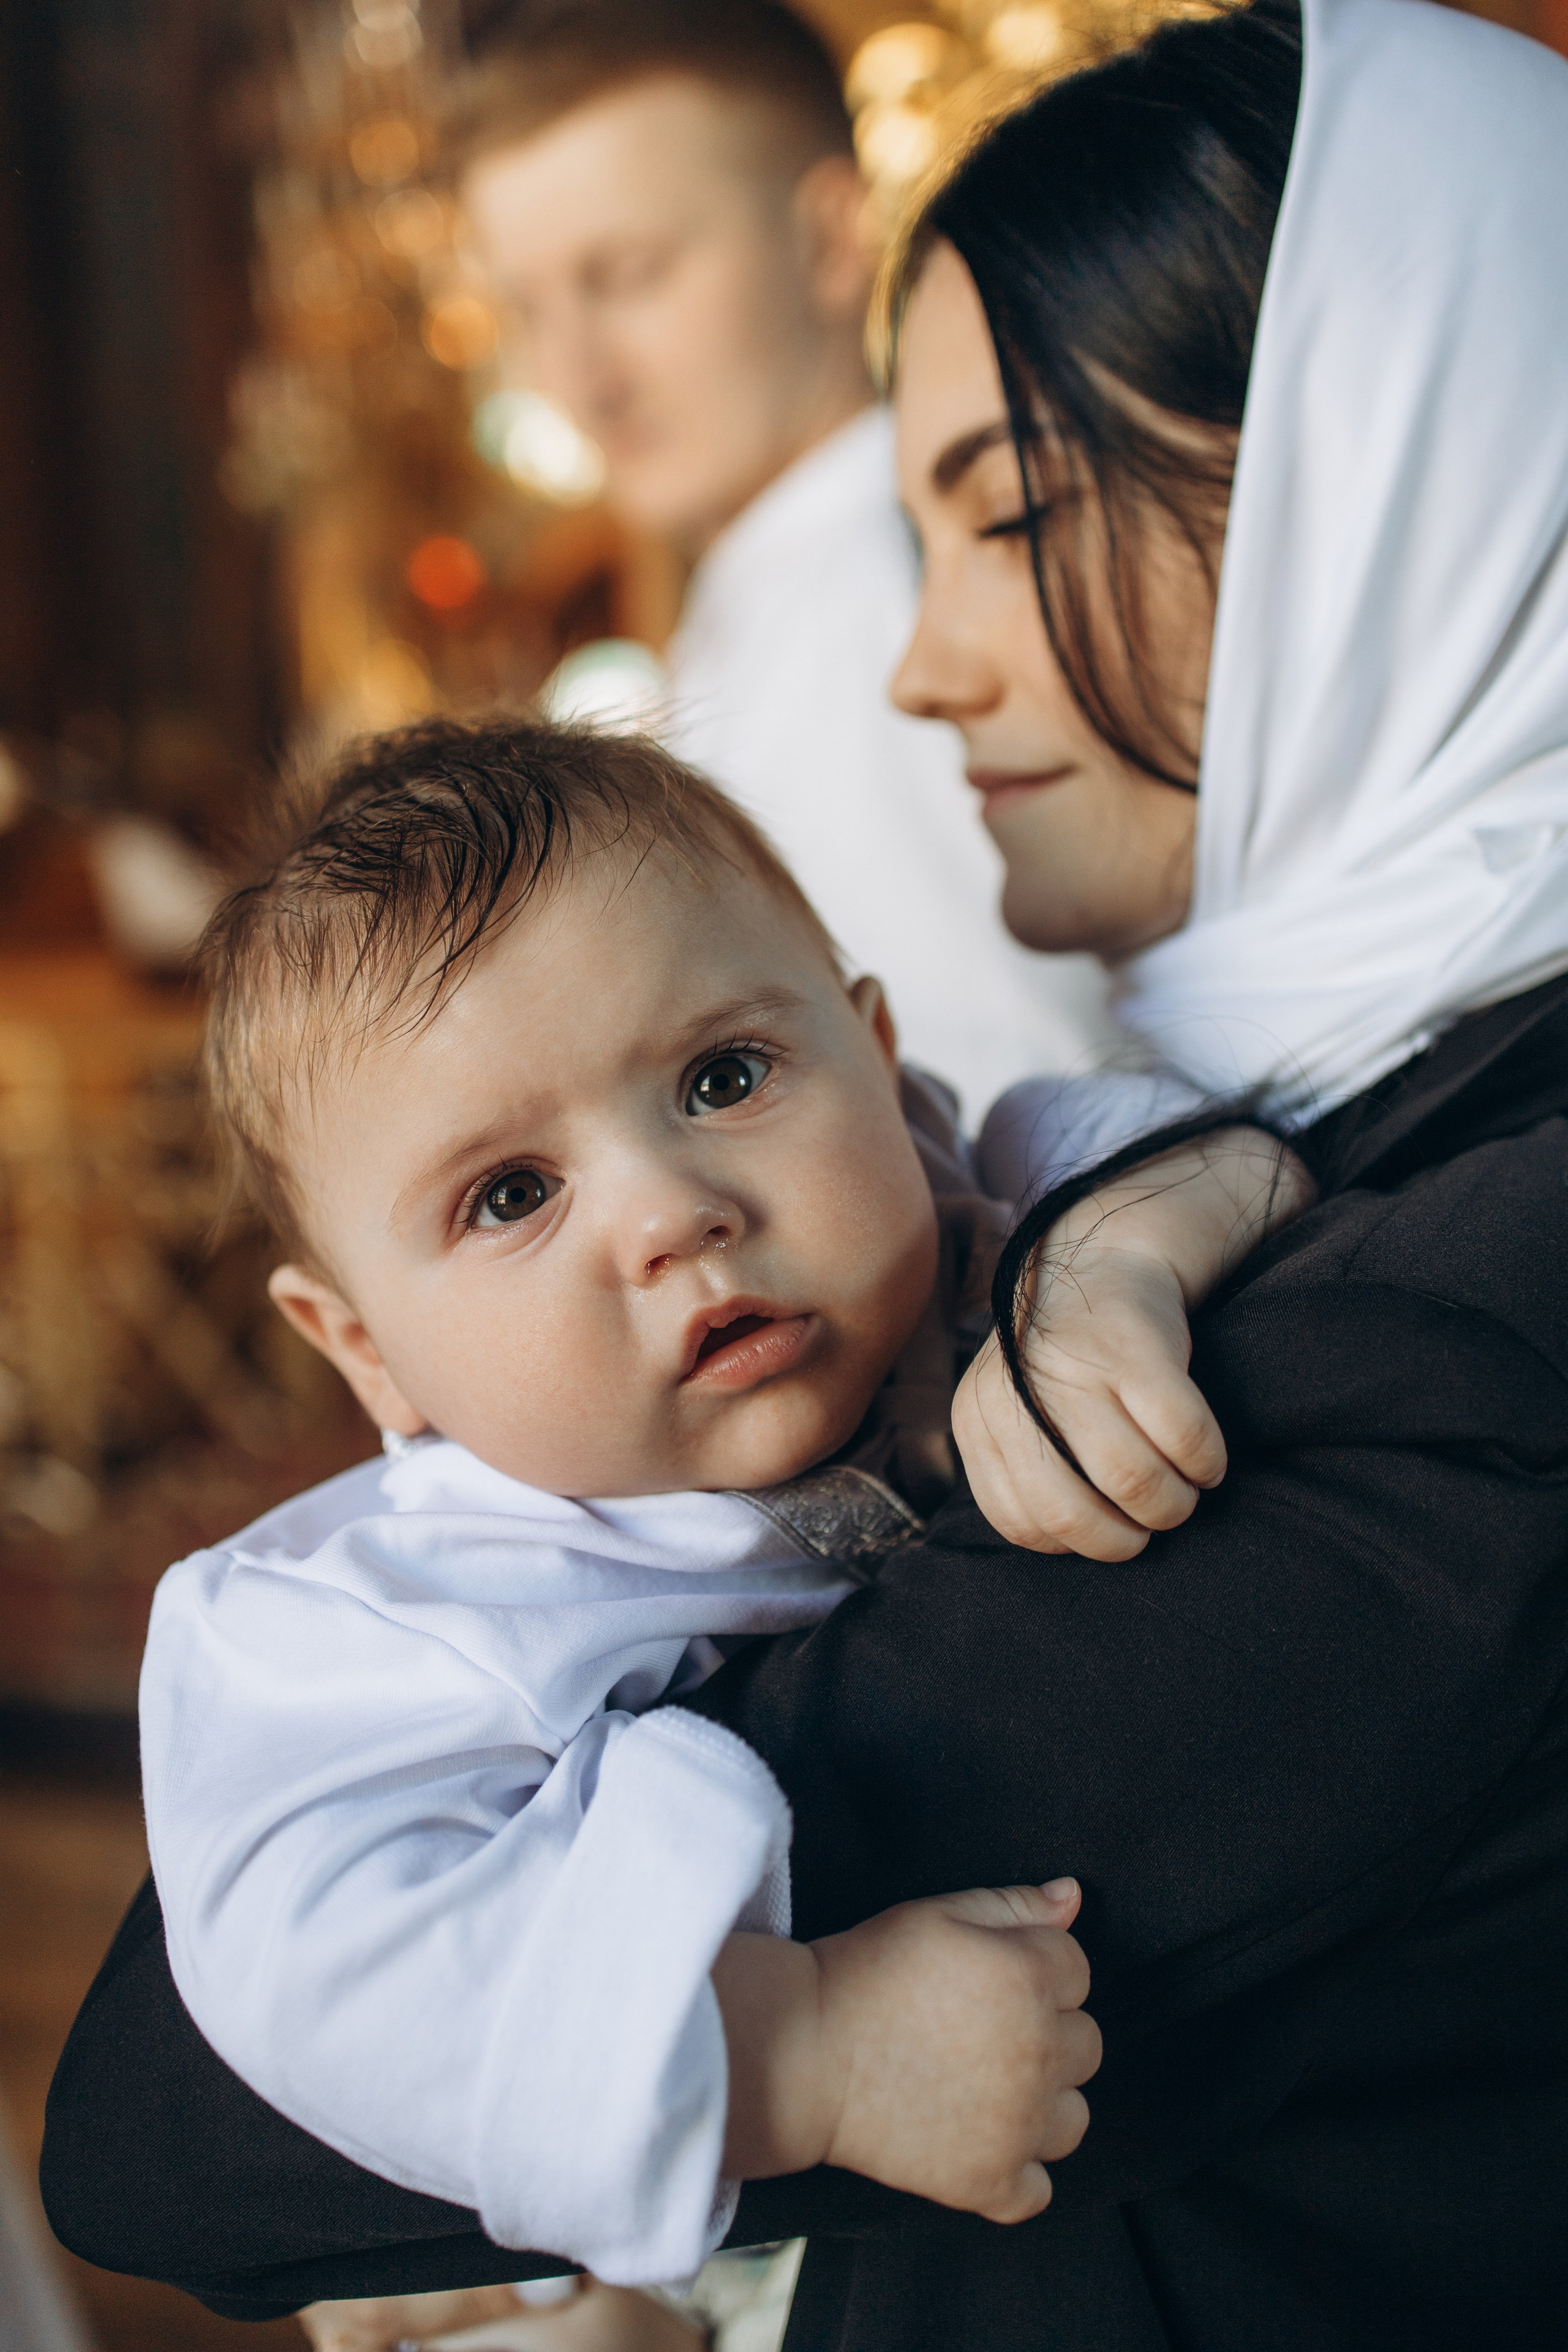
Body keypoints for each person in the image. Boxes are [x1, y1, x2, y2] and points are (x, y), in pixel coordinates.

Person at [39, 0, 1568, 2343]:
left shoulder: (1497, 1242)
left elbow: (177, 2123)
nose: (926, 672)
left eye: (1011, 520)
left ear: (1395, 483)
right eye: (504, 1196)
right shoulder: (1300, 1070)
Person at [137, 714, 1301, 2287]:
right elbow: (323, 1956)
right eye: (510, 1194)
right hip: (677, 2189)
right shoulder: (395, 1613)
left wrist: (1110, 1269)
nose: (672, 1213)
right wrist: (797, 2054)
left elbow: (1217, 1149)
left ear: (878, 1062)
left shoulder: (983, 1222)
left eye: (725, 1075)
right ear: (366, 1352)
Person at [458, 0, 1110, 1115]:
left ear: (828, 240)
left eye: (627, 274)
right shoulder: (779, 590)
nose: (577, 374)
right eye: (529, 306)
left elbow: (1033, 1091)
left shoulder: (872, 610)